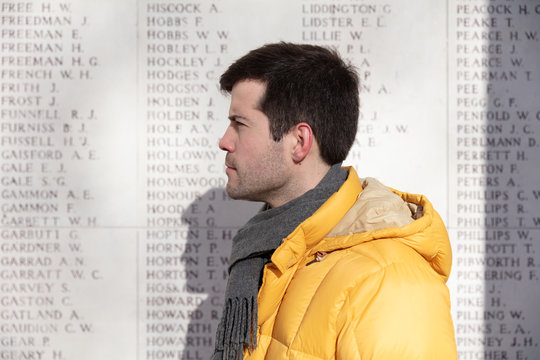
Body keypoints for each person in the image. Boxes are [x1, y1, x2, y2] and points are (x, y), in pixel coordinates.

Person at [212, 42, 457, 359]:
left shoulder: (387, 284)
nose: (224, 141)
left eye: (239, 124)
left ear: (299, 142)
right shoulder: (268, 255)